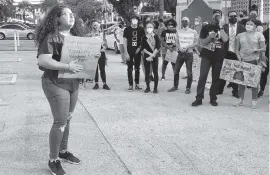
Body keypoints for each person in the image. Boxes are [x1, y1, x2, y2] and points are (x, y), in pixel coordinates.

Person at [35, 4, 98, 175]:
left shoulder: (76, 38)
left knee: (68, 119)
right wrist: (66, 66)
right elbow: (43, 60)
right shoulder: (51, 37)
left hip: (73, 83)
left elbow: (82, 62)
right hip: (54, 82)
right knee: (60, 121)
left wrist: (93, 56)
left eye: (72, 14)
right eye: (66, 14)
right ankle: (53, 160)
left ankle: (63, 151)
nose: (71, 17)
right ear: (56, 18)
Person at [192, 9, 228, 107]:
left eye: (219, 15)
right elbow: (202, 42)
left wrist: (220, 27)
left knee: (216, 78)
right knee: (203, 76)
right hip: (207, 55)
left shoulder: (223, 27)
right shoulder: (206, 27)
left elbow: (225, 39)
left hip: (218, 56)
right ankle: (199, 98)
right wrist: (209, 37)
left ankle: (213, 98)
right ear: (212, 16)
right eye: (216, 15)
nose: (217, 17)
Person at [234, 18, 266, 109]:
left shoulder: (259, 35)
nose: (249, 26)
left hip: (254, 60)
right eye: (247, 24)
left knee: (254, 82)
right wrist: (239, 58)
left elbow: (264, 49)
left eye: (251, 24)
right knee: (241, 81)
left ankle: (254, 100)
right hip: (242, 60)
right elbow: (236, 49)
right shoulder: (240, 35)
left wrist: (254, 50)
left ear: (255, 26)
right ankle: (240, 99)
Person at [217, 11, 246, 98]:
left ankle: (235, 91)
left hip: (236, 53)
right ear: (228, 17)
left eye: (234, 16)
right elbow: (220, 39)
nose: (233, 18)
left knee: (236, 72)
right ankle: (220, 89)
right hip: (225, 52)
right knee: (223, 71)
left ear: (236, 17)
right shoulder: (224, 27)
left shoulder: (241, 28)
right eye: (231, 16)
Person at [168, 17, 198, 94]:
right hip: (180, 53)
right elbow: (177, 42)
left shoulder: (193, 32)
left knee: (189, 72)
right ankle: (175, 86)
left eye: (186, 21)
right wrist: (179, 48)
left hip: (189, 54)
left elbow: (196, 43)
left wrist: (188, 47)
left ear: (189, 22)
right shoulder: (179, 31)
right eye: (183, 21)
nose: (184, 22)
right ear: (181, 22)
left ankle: (188, 88)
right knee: (176, 71)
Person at [123, 15, 145, 91]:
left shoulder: (141, 29)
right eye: (133, 19)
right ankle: (130, 84)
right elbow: (125, 41)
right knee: (129, 69)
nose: (134, 20)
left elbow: (143, 41)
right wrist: (126, 53)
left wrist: (139, 48)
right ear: (131, 20)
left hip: (137, 52)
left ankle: (137, 84)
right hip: (129, 51)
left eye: (136, 19)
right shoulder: (127, 29)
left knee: (137, 68)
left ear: (138, 21)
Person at [141, 22, 161, 93]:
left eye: (150, 27)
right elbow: (143, 48)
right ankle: (148, 87)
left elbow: (158, 47)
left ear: (153, 28)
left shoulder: (156, 36)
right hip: (147, 56)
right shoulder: (144, 37)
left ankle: (155, 88)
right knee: (147, 72)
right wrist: (150, 54)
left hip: (154, 56)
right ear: (146, 29)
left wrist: (152, 55)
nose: (149, 28)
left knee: (155, 72)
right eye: (148, 27)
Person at [91, 21, 110, 90]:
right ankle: (96, 84)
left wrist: (104, 49)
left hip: (101, 53)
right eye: (94, 25)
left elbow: (106, 44)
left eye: (97, 25)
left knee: (102, 69)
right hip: (94, 53)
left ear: (99, 26)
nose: (96, 26)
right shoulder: (90, 35)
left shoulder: (102, 34)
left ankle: (104, 84)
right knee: (95, 69)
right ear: (92, 26)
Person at [258, 26, 269, 98]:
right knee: (264, 74)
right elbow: (261, 43)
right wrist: (263, 55)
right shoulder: (268, 31)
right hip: (268, 57)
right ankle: (261, 90)